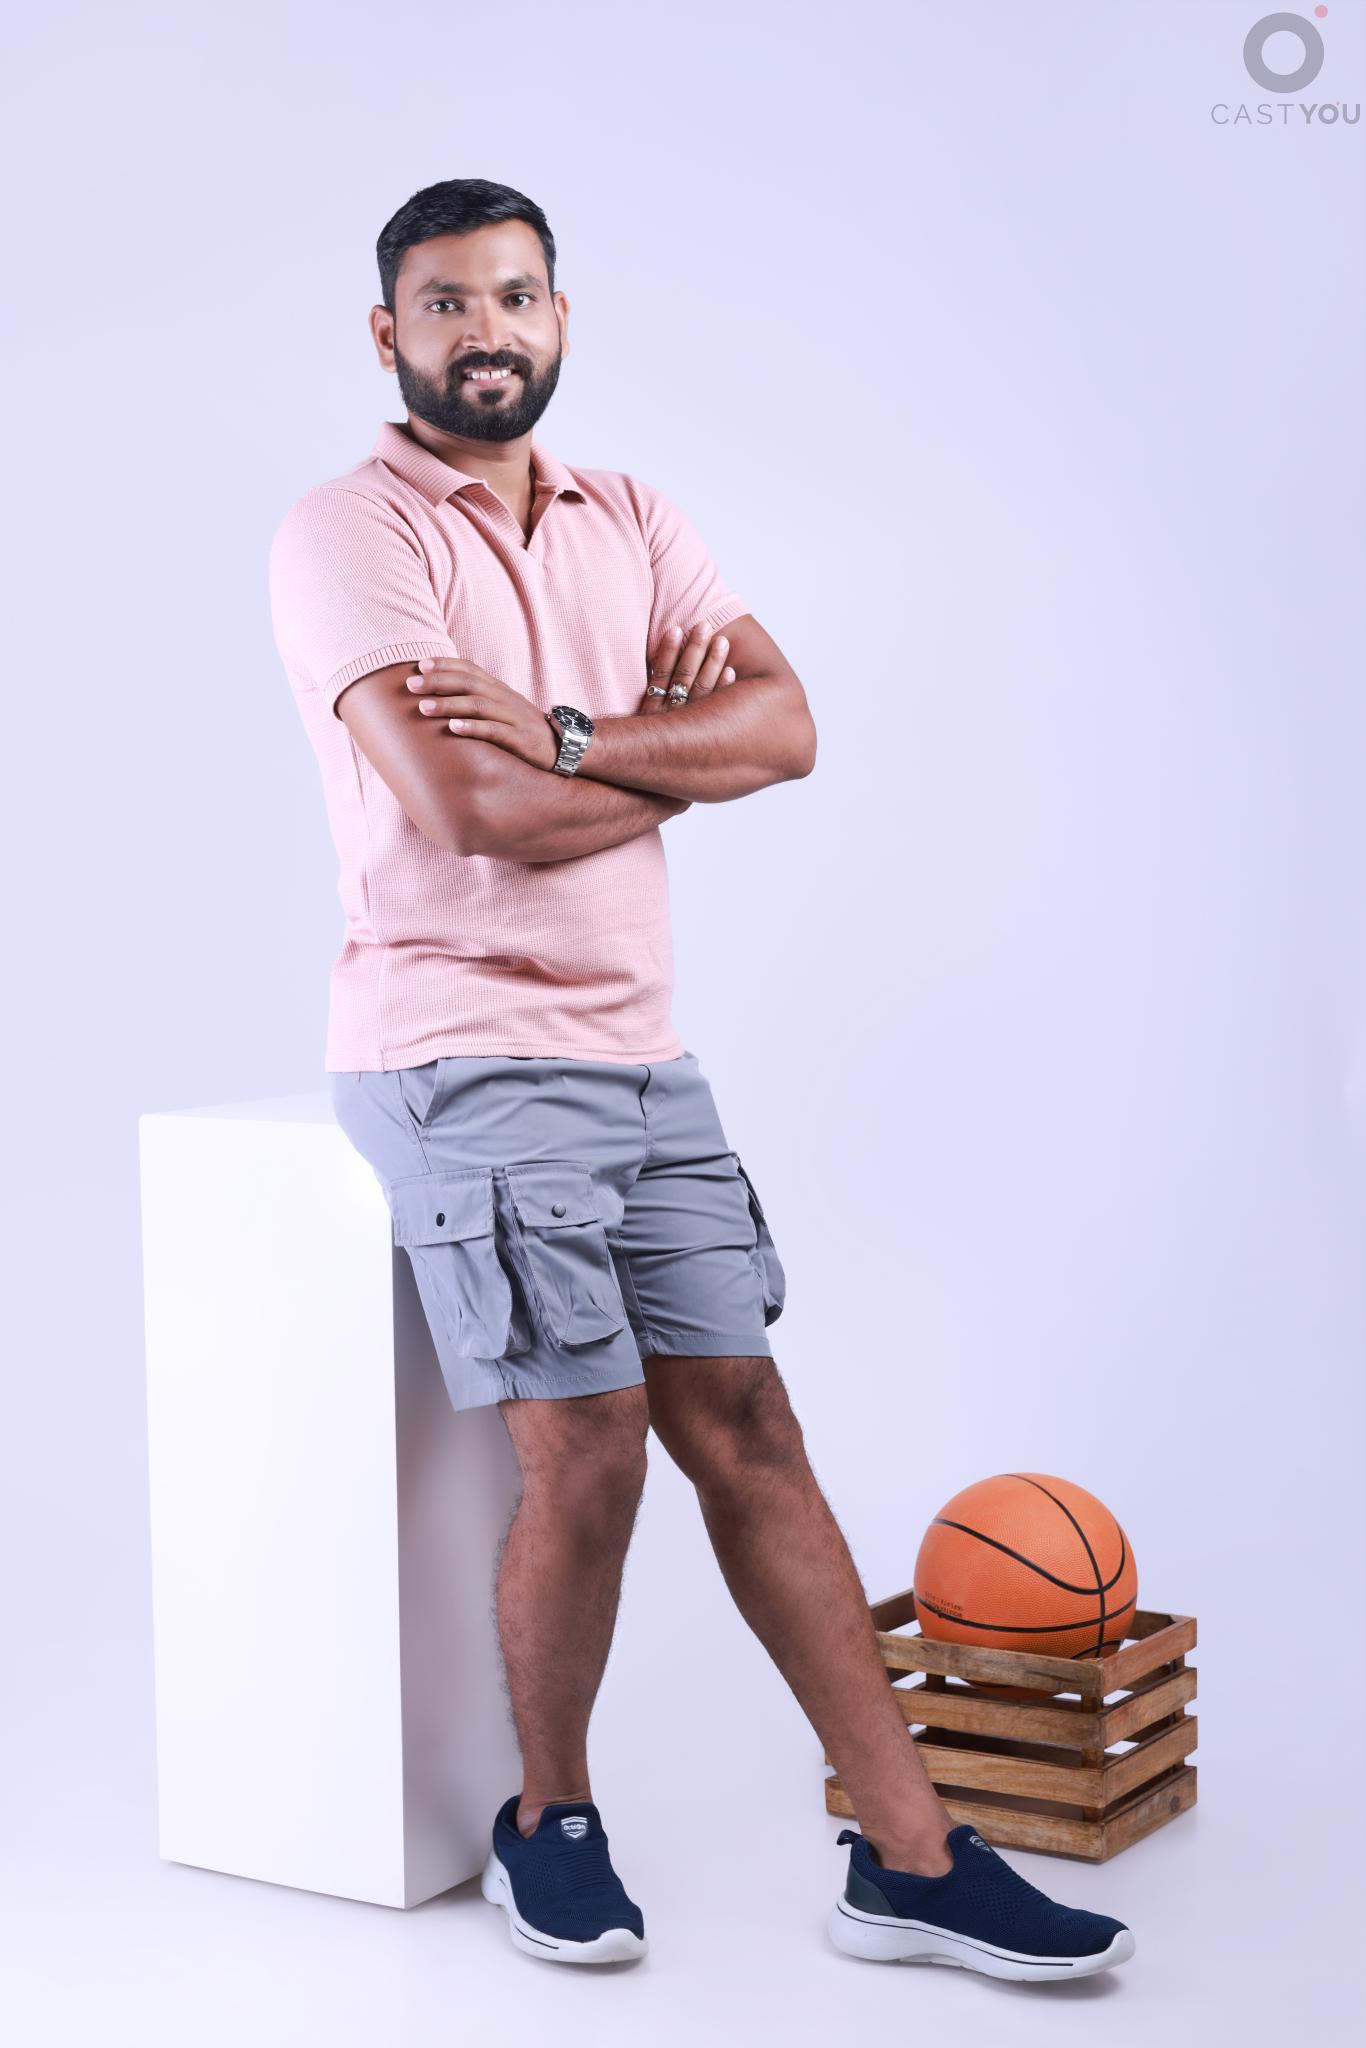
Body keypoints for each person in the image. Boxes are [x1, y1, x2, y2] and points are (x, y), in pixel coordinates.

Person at [268, 176, 1135, 1980]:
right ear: (386, 333)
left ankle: (908, 1855)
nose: (484, 331)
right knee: (587, 1447)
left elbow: (787, 727)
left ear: (559, 316)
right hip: (459, 1052)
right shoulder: (351, 532)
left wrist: (579, 736)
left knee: (749, 1427)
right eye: (445, 303)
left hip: (644, 1058)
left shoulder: (634, 513)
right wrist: (679, 758)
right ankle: (548, 1822)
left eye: (515, 295)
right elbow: (466, 809)